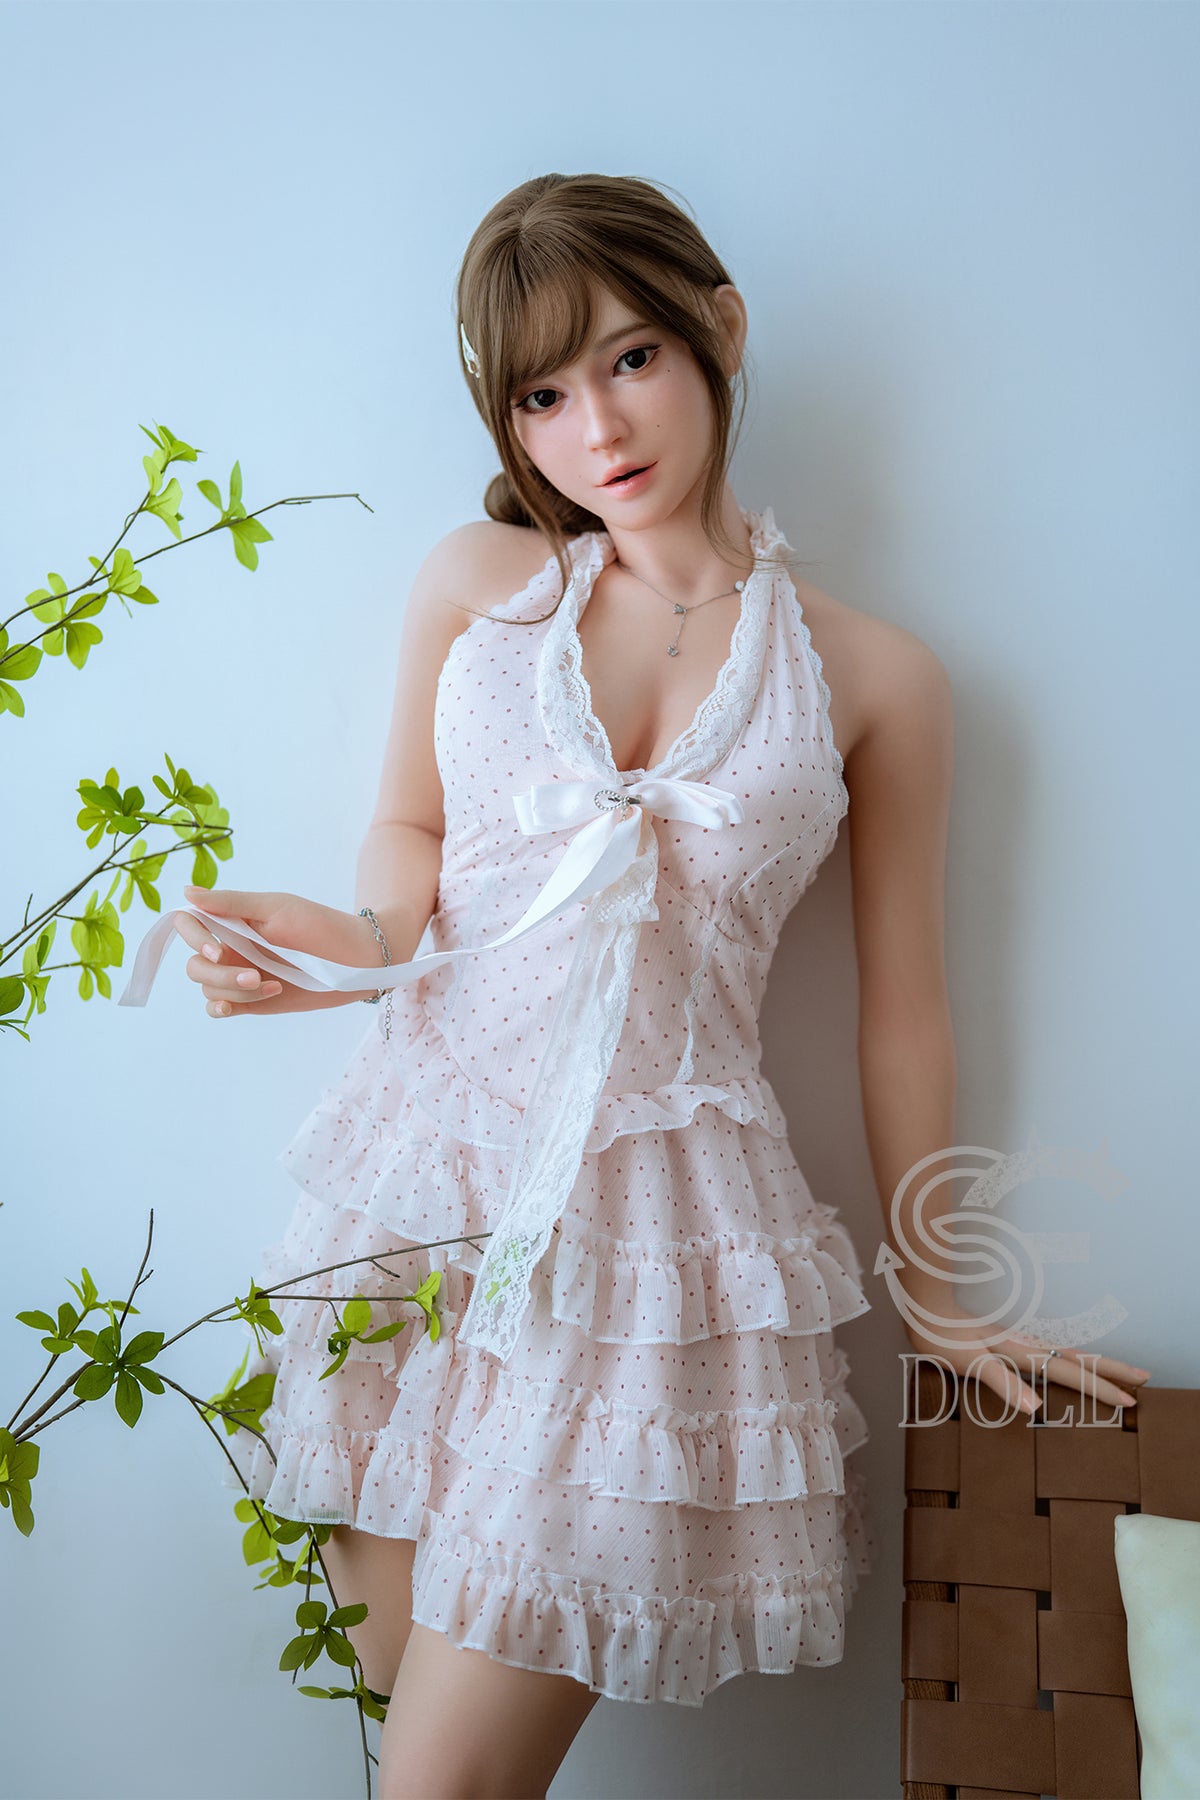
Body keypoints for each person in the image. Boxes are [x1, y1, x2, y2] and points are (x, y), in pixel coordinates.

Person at [145, 173, 1152, 1799]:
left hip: (652, 1255)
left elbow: (904, 1003)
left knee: (441, 1784)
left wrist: (938, 1288)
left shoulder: (878, 676)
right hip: (421, 1202)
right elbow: (411, 839)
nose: (596, 428)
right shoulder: (477, 582)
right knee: (392, 1702)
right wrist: (342, 945)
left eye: (629, 359)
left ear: (718, 331)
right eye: (541, 395)